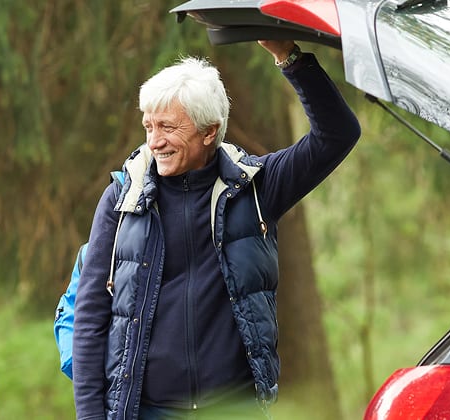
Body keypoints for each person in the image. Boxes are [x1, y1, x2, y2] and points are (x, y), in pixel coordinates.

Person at [72, 40, 360, 419]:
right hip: (147, 411)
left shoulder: (256, 188)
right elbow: (91, 316)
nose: (154, 141)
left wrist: (289, 58)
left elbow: (337, 135)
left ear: (209, 132)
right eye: (148, 126)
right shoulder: (122, 201)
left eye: (167, 127)